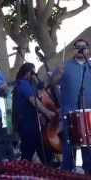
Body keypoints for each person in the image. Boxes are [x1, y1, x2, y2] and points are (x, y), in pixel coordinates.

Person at [52, 39, 91, 174]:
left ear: (88, 49)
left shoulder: (90, 65)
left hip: (88, 111)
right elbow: (52, 82)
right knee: (69, 144)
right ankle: (66, 171)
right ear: (74, 50)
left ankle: (88, 170)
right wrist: (59, 75)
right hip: (69, 111)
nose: (81, 49)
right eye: (78, 47)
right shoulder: (65, 66)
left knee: (88, 144)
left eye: (83, 47)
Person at [12, 62, 56, 165]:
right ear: (28, 73)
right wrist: (48, 113)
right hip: (27, 124)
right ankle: (22, 172)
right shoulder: (23, 84)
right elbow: (33, 100)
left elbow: (40, 96)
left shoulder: (30, 85)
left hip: (33, 123)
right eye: (33, 72)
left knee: (43, 151)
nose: (34, 75)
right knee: (28, 152)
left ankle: (48, 169)